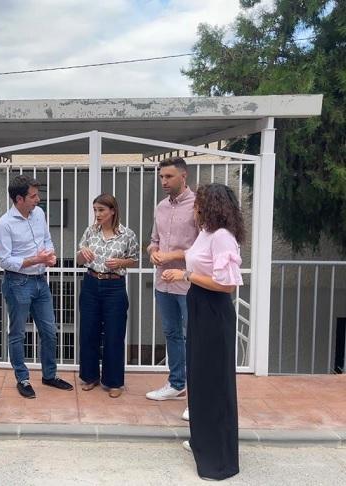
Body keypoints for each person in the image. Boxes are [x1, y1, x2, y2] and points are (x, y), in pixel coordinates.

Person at [162, 183, 244, 481]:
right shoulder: (207, 233)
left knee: (213, 381)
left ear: (210, 206)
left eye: (198, 204)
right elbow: (195, 257)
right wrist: (177, 260)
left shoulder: (223, 237)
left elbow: (226, 284)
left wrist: (185, 274)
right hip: (199, 306)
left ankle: (218, 459)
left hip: (213, 310)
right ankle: (202, 441)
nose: (194, 208)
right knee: (199, 377)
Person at [0, 174, 74, 398]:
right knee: (18, 333)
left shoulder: (39, 213)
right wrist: (35, 260)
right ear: (19, 199)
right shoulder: (5, 224)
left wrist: (51, 255)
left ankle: (49, 375)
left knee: (50, 331)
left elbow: (46, 239)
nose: (38, 199)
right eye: (33, 196)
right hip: (17, 282)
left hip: (40, 280)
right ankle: (23, 378)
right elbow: (5, 261)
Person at [146, 157, 197, 422]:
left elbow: (203, 249)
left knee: (195, 339)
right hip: (162, 282)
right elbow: (153, 241)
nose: (164, 182)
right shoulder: (161, 207)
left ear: (183, 176)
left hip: (189, 284)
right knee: (171, 334)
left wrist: (172, 255)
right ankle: (177, 384)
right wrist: (153, 252)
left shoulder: (198, 206)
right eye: (161, 177)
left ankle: (197, 397)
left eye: (168, 177)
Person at [76, 194, 138, 398]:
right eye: (95, 209)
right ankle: (90, 376)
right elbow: (78, 259)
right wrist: (82, 253)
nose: (97, 214)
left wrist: (121, 263)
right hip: (91, 284)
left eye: (101, 210)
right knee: (88, 331)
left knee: (114, 334)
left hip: (114, 287)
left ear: (112, 210)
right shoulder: (90, 232)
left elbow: (134, 260)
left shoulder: (127, 234)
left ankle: (113, 382)